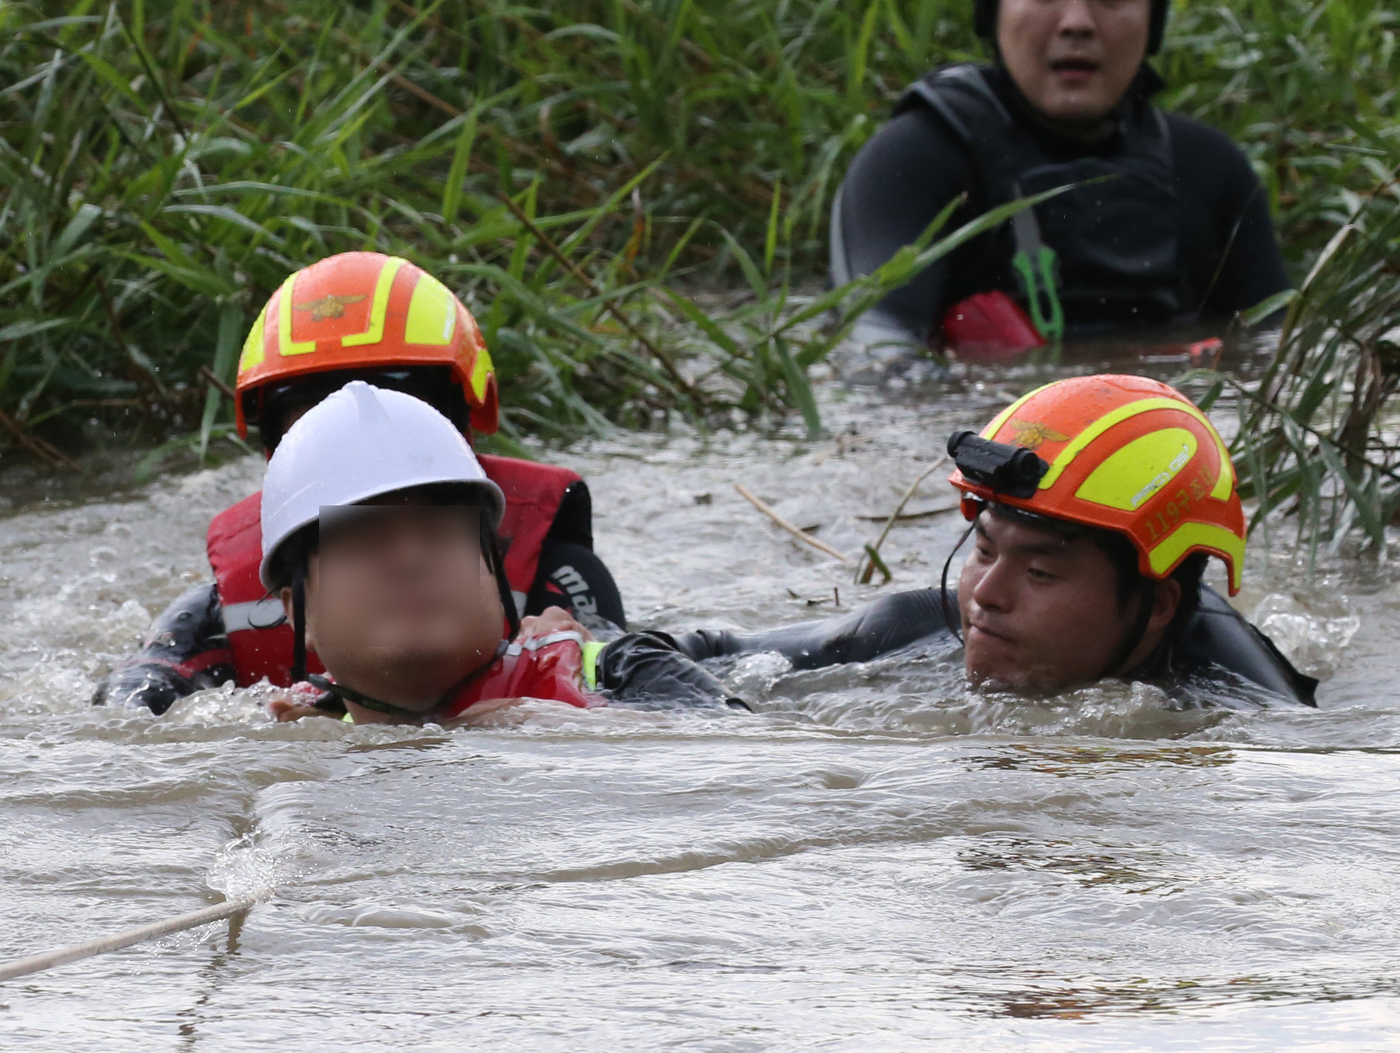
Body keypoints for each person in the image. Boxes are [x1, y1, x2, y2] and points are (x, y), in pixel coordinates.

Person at [95, 252, 626, 714]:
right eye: (317, 422)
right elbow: (126, 715)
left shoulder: (556, 572)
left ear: (460, 428)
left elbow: (631, 671)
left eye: (404, 409)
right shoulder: (225, 603)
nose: (365, 437)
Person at [833, 0, 1290, 359]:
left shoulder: (1209, 169)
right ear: (992, 11)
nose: (1077, 23)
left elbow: (1278, 356)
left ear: (1154, 23)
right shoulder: (914, 159)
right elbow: (876, 346)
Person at [675, 375, 1317, 706]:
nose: (986, 595)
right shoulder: (915, 624)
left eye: (1040, 573)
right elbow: (702, 649)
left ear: (1156, 607)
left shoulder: (1235, 710)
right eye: (983, 549)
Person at [260, 382, 739, 723]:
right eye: (364, 541)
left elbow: (761, 764)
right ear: (297, 610)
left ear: (495, 573)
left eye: (441, 533)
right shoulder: (302, 737)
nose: (411, 558)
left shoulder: (622, 674)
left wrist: (581, 734)